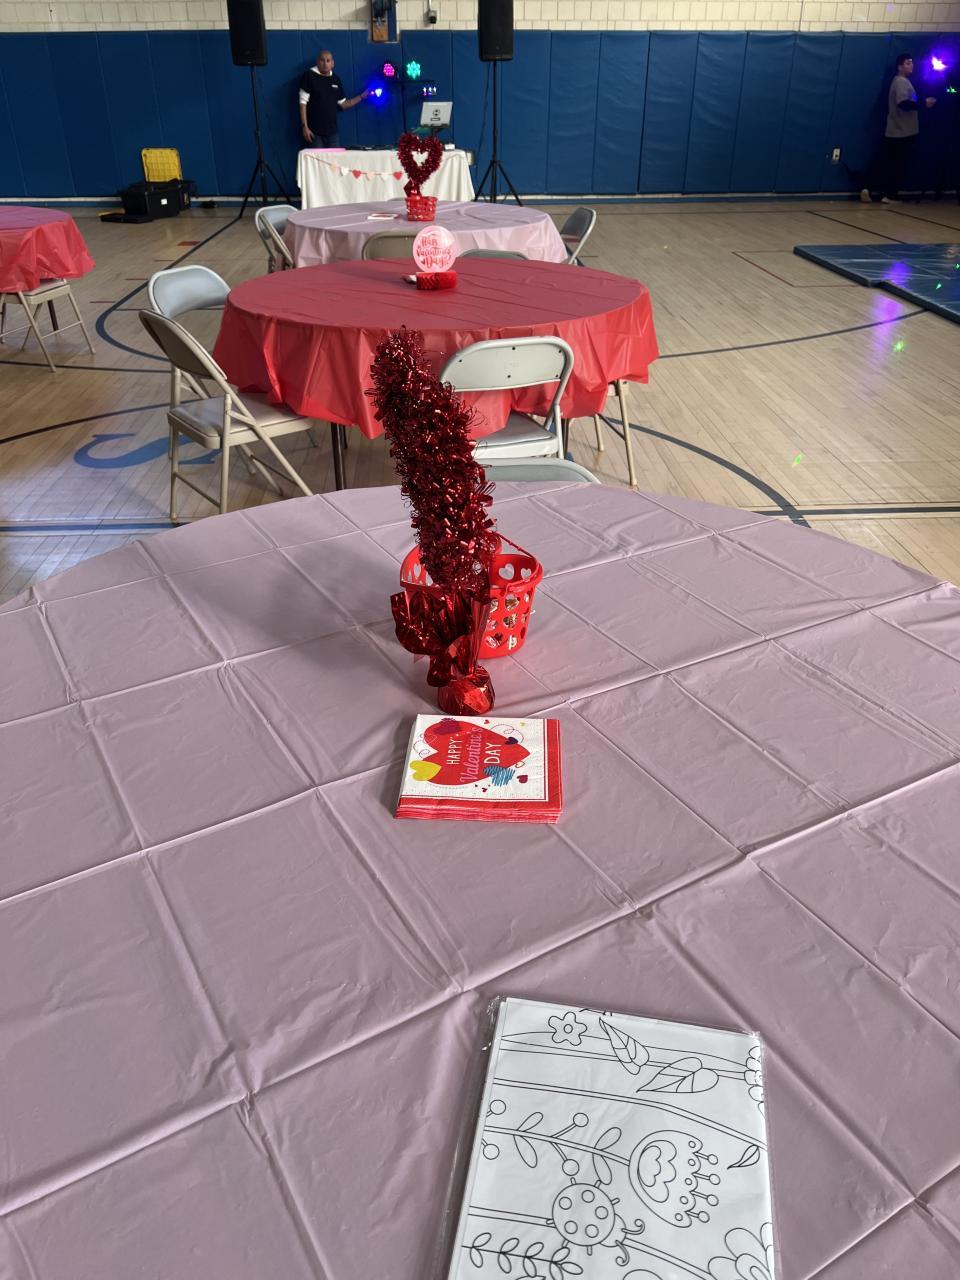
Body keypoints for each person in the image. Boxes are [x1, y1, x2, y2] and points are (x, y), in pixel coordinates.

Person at [861, 54, 935, 204]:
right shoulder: (901, 82)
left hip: (898, 130)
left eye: (912, 63)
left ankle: (870, 189)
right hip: (902, 131)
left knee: (887, 162)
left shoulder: (904, 82)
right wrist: (924, 104)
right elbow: (903, 103)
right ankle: (889, 195)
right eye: (908, 63)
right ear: (900, 67)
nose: (911, 65)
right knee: (897, 165)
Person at [298, 51, 369, 148]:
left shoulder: (336, 79)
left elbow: (343, 104)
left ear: (332, 63)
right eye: (322, 60)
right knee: (317, 158)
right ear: (317, 62)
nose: (325, 63)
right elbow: (302, 102)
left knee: (335, 158)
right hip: (314, 132)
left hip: (332, 133)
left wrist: (361, 96)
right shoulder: (309, 76)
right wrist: (304, 127)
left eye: (328, 61)